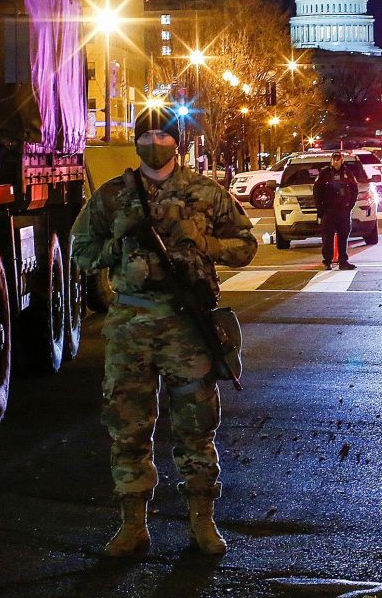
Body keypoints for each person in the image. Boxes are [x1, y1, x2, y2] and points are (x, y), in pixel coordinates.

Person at [71, 106, 257, 558]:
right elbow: (81, 253)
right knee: (128, 428)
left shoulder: (205, 192)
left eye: (163, 134)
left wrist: (204, 242)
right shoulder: (114, 195)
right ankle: (132, 526)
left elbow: (246, 246)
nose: (154, 142)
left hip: (187, 328)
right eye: (146, 135)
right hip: (130, 328)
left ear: (178, 141)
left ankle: (202, 522)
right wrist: (118, 243)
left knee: (196, 427)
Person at [313, 151, 358, 270]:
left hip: (343, 211)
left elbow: (354, 190)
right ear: (331, 160)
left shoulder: (347, 173)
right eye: (334, 159)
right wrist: (321, 210)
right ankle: (327, 261)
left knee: (343, 236)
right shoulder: (325, 173)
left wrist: (349, 206)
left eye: (338, 159)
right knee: (327, 238)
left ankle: (343, 261)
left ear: (342, 160)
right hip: (329, 211)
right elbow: (317, 192)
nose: (336, 161)